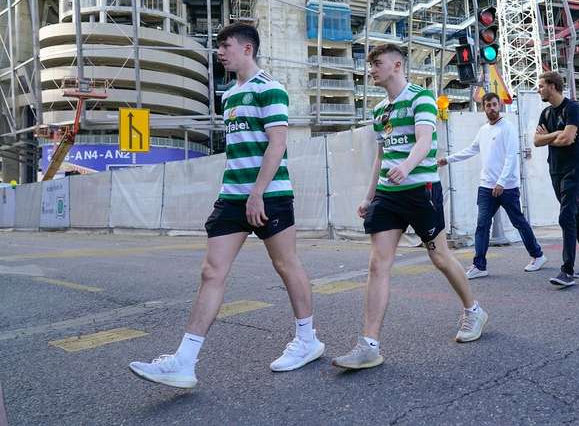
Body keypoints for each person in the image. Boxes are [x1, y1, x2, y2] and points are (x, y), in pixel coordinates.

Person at [129, 23, 322, 388]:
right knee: (211, 272)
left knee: (285, 264)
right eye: (219, 46)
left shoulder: (270, 89)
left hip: (269, 195)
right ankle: (184, 361)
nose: (220, 52)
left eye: (226, 46)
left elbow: (277, 144)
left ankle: (307, 340)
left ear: (247, 49)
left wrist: (258, 192)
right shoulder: (229, 96)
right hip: (232, 196)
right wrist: (241, 191)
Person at [332, 44, 487, 370]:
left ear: (397, 65)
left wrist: (406, 166)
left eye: (377, 63)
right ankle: (369, 344)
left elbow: (425, 140)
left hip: (421, 189)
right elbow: (380, 156)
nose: (371, 68)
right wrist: (369, 195)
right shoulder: (379, 110)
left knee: (439, 256)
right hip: (389, 195)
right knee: (378, 264)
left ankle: (473, 311)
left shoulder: (421, 97)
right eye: (371, 63)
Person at [437, 92, 546, 278]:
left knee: (518, 222)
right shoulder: (484, 130)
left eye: (495, 104)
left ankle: (537, 255)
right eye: (488, 105)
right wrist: (447, 159)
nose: (492, 108)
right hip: (486, 187)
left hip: (507, 187)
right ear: (483, 108)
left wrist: (501, 182)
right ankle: (479, 265)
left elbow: (512, 157)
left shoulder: (508, 128)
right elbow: (471, 150)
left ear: (500, 105)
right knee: (482, 225)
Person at [534, 71, 579, 288]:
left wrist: (551, 137)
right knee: (576, 215)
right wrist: (556, 135)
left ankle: (567, 271)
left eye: (541, 86)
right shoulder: (545, 113)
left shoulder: (573, 108)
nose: (539, 89)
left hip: (575, 168)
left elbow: (568, 138)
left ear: (553, 86)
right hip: (555, 169)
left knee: (566, 216)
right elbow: (536, 141)